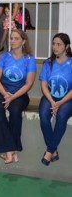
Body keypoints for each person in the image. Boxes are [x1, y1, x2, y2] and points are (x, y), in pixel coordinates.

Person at [0, 29, 36, 163]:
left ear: (23, 41)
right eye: (11, 38)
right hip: (2, 91)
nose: (12, 41)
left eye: (16, 38)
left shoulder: (29, 59)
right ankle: (11, 149)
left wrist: (13, 97)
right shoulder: (4, 57)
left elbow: (28, 83)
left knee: (15, 111)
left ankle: (10, 150)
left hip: (20, 94)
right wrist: (5, 94)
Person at [39, 33, 72, 166]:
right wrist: (52, 101)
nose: (55, 47)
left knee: (62, 115)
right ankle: (54, 150)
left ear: (67, 46)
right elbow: (43, 85)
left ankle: (50, 150)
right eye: (53, 44)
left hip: (68, 98)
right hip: (50, 96)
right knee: (43, 114)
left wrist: (60, 102)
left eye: (59, 44)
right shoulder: (48, 63)